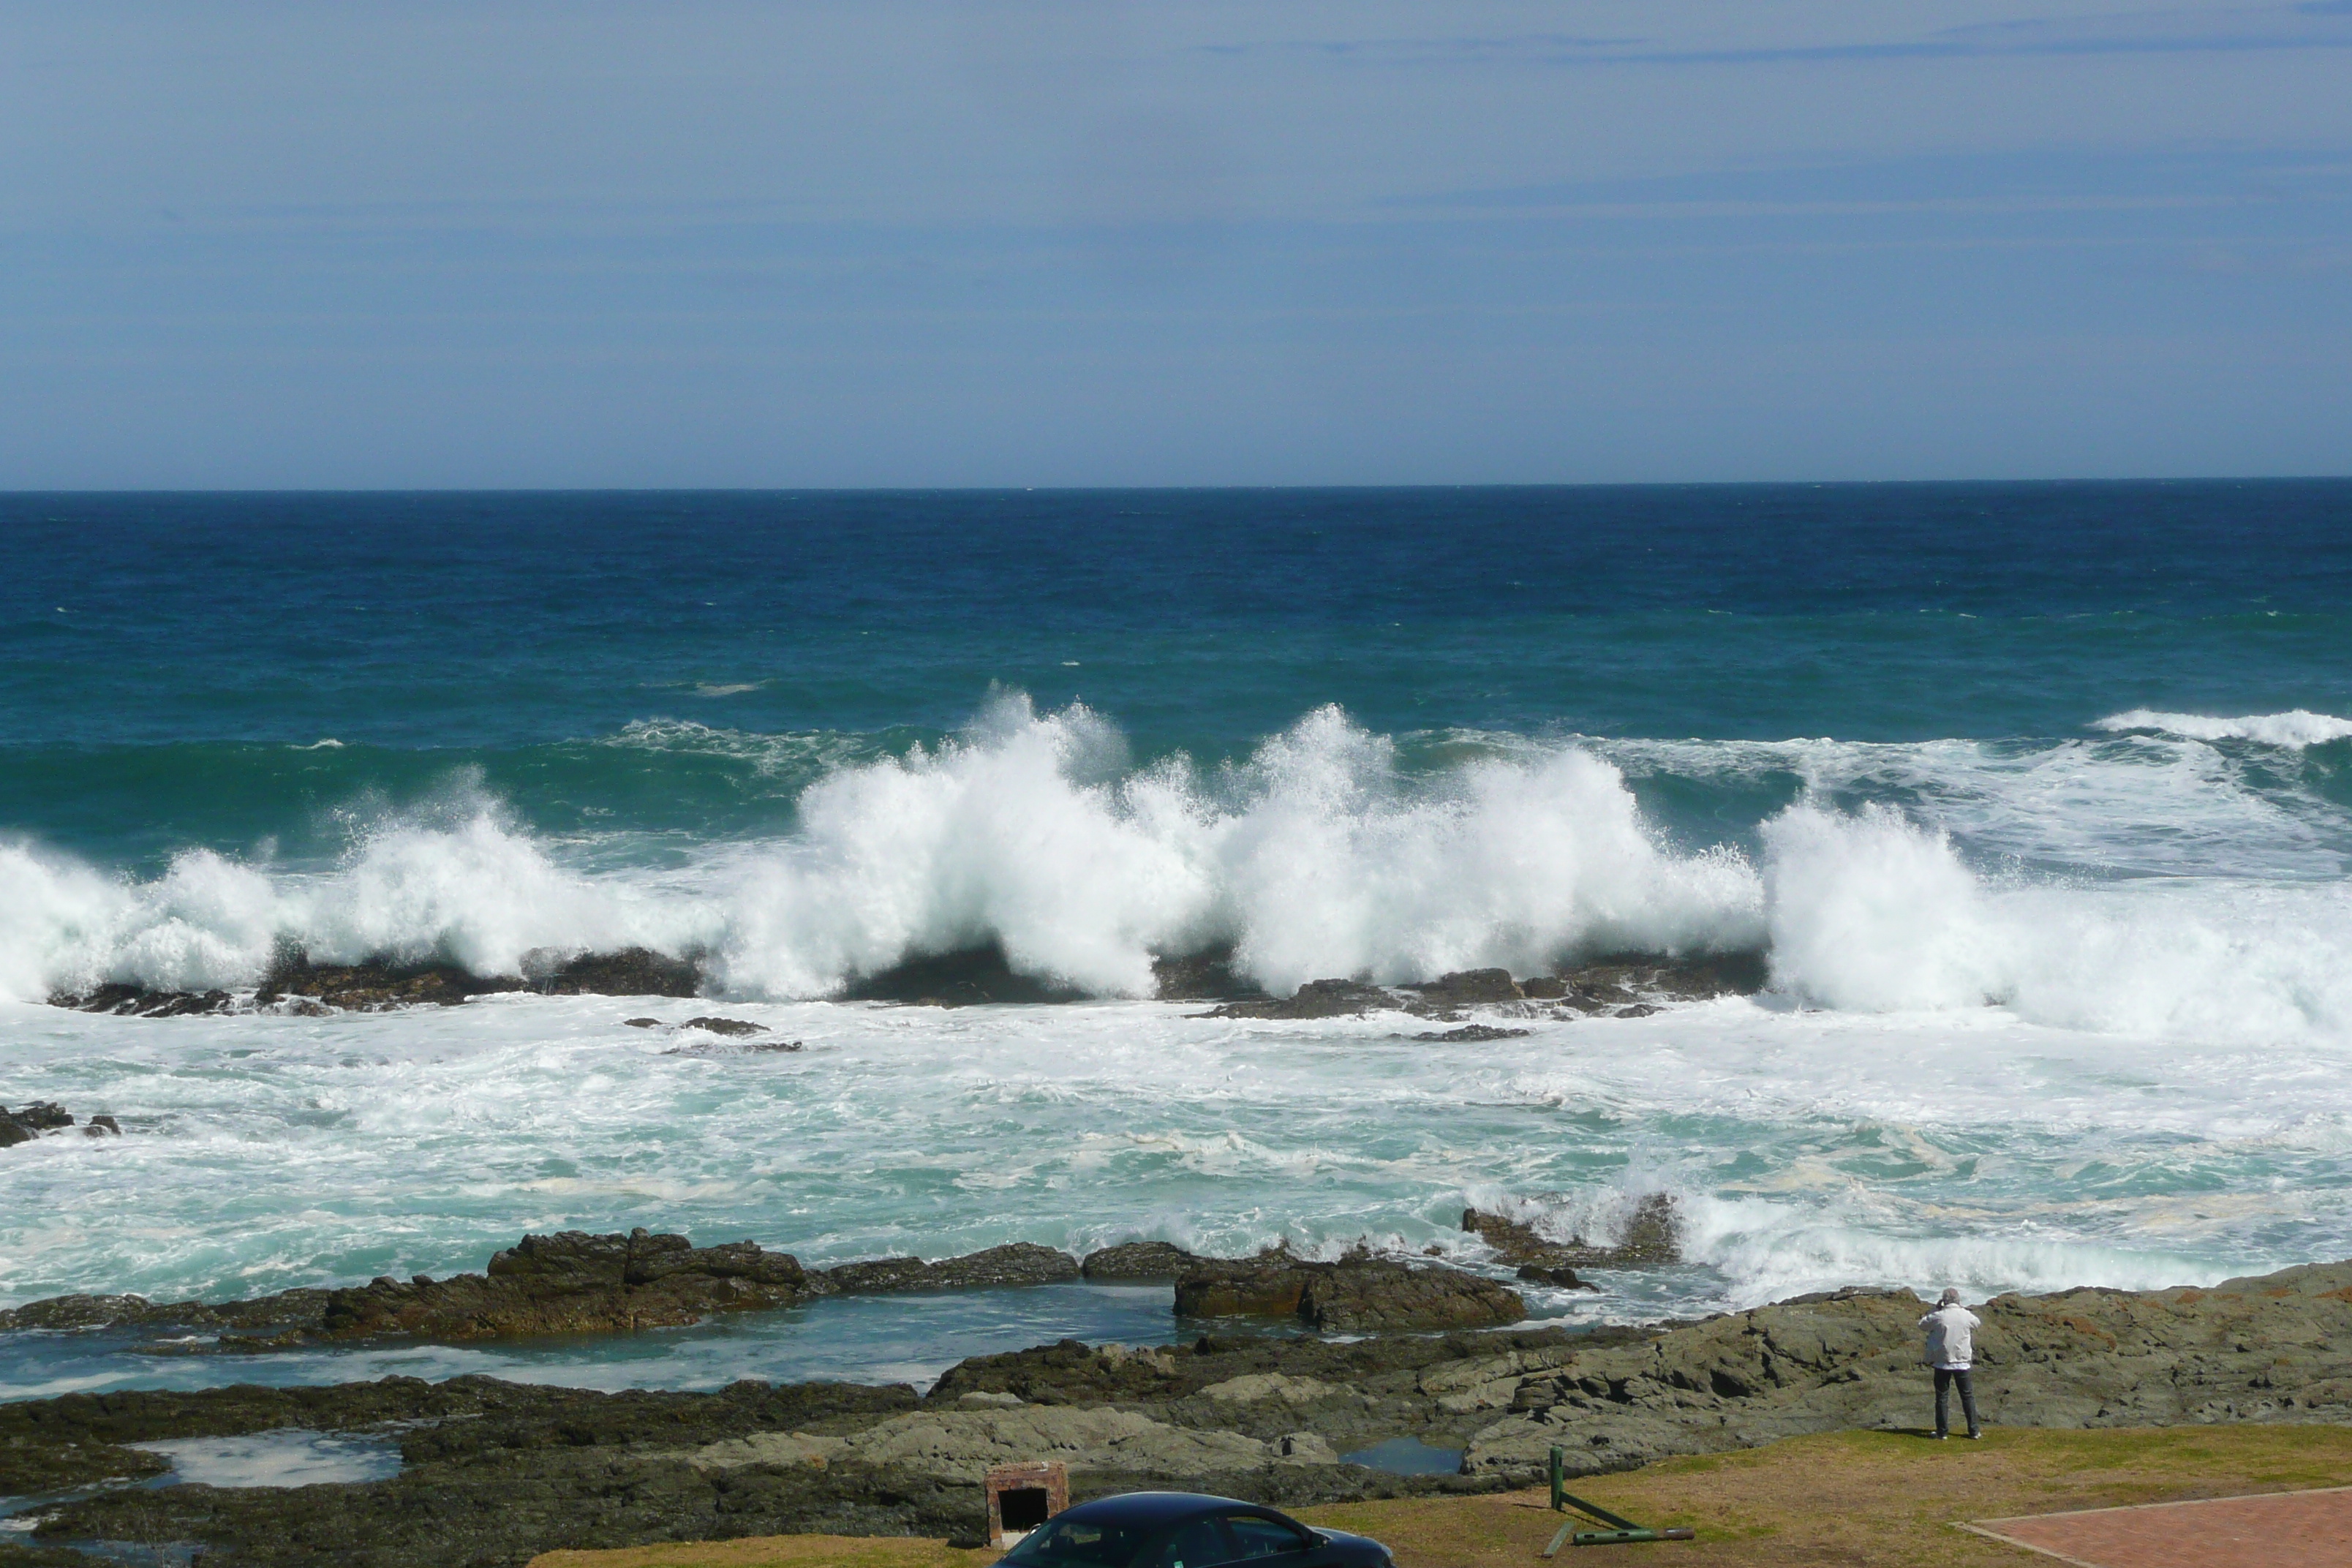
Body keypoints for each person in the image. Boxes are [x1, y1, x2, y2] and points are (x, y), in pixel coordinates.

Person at [1919, 1286, 1982, 1439]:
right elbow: (1977, 1323)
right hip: (1962, 1362)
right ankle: (1974, 1431)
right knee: (1967, 1397)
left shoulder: (1938, 1316)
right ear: (1958, 1300)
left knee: (1942, 1398)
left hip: (1942, 1363)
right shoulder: (1966, 1316)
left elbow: (1922, 1325)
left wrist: (1935, 1308)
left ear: (1944, 1301)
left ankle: (1942, 1432)